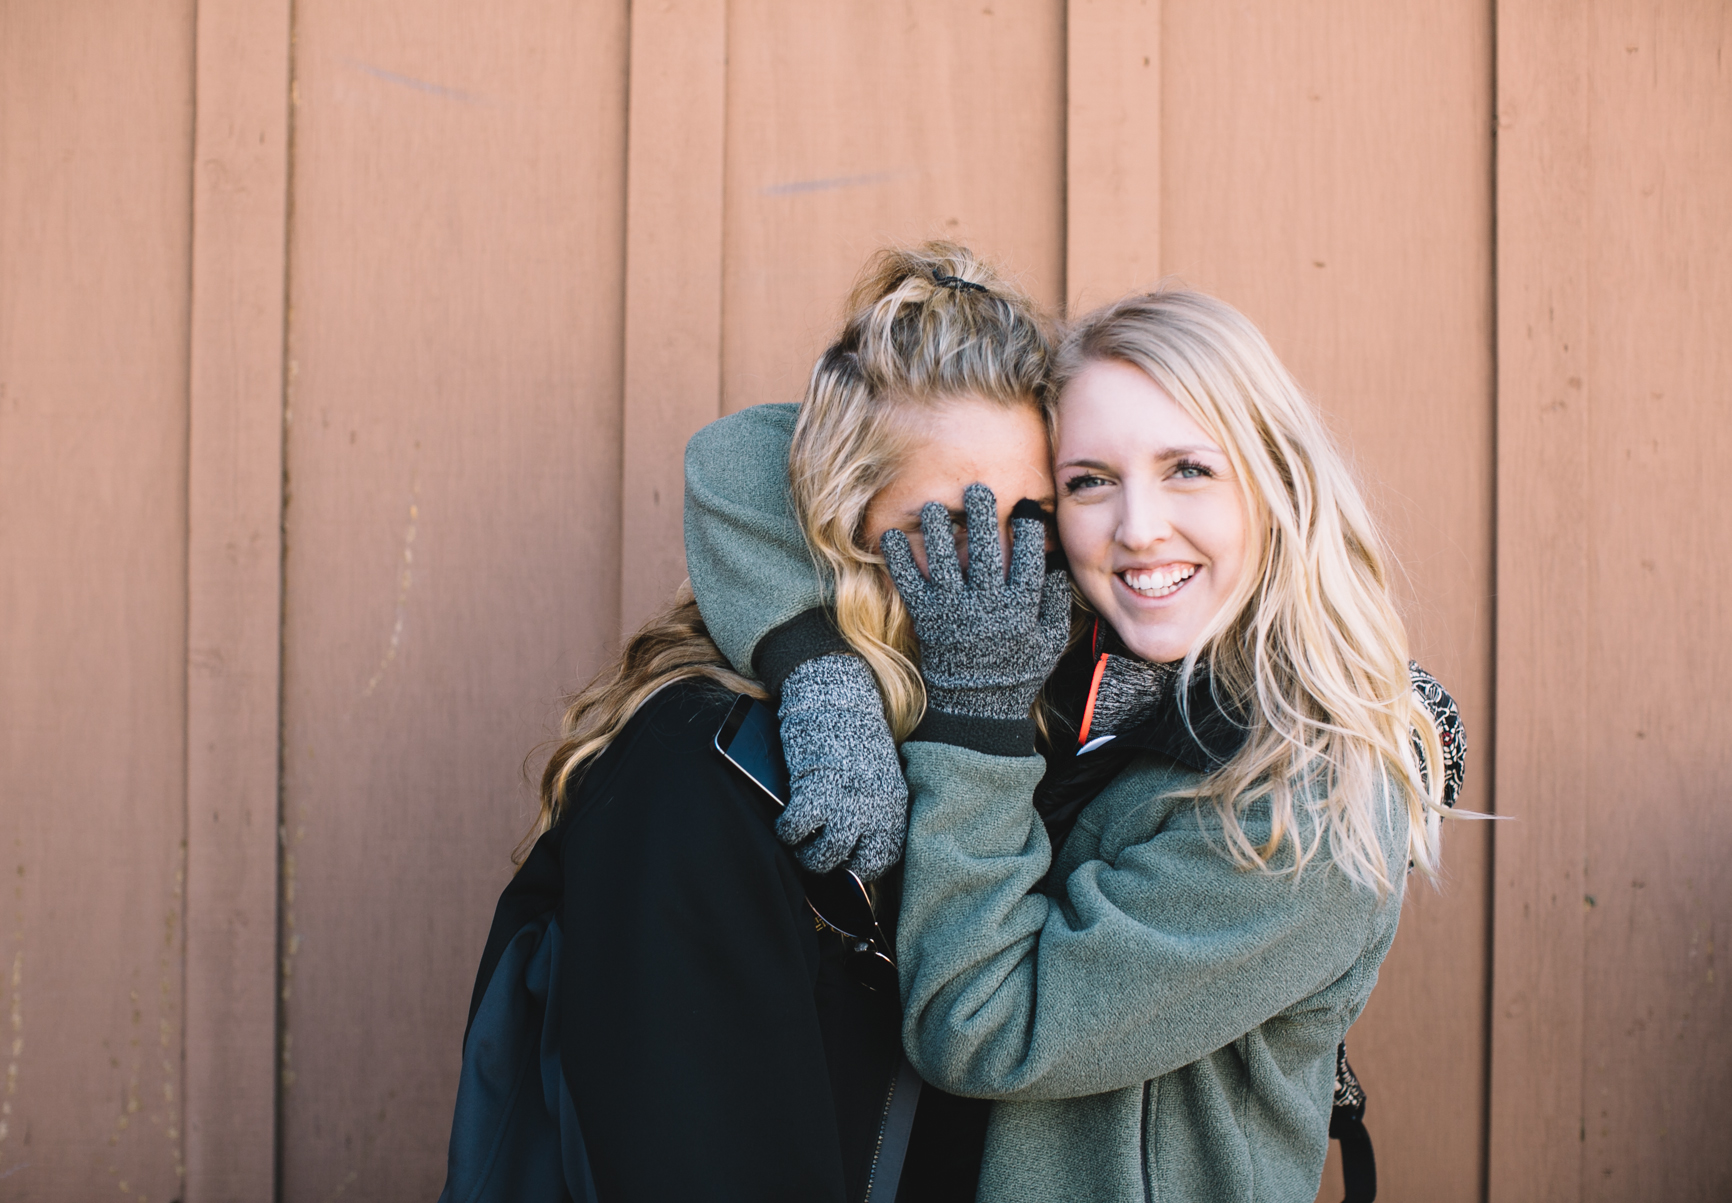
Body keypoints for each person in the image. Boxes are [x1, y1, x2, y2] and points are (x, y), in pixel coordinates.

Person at [681, 286, 1469, 1202]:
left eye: (1188, 469)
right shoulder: (1062, 630)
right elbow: (737, 457)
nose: (1138, 528)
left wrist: (976, 718)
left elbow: (981, 1026)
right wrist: (823, 673)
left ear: (1279, 483)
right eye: (1090, 480)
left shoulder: (1307, 807)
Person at [437, 244, 1060, 1203]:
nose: (996, 571)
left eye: (1032, 521)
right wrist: (819, 666)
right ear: (844, 520)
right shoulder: (702, 772)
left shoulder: (1021, 719)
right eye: (944, 525)